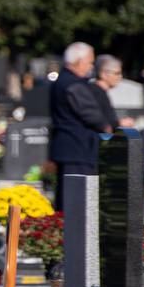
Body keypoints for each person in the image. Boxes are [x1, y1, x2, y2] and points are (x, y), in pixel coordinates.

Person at [49, 42, 116, 208]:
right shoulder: (74, 85)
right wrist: (107, 127)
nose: (91, 67)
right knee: (77, 204)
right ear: (78, 61)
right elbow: (91, 115)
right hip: (78, 149)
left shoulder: (61, 81)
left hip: (67, 149)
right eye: (89, 62)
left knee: (67, 201)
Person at [94, 54, 139, 129]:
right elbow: (96, 121)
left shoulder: (101, 92)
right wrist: (119, 123)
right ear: (103, 74)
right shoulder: (95, 93)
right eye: (117, 73)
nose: (120, 77)